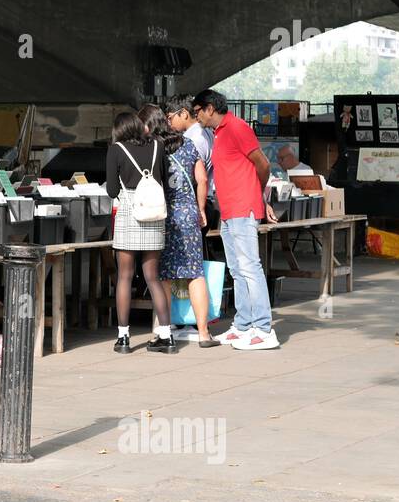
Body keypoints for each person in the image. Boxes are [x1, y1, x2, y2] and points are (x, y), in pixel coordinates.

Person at [191, 88, 280, 350]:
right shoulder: (218, 133)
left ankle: (263, 329)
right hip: (229, 209)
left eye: (198, 112)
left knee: (250, 267)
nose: (197, 118)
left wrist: (259, 195)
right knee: (237, 270)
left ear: (209, 108)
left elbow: (263, 164)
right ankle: (243, 325)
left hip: (243, 207)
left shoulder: (238, 127)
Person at [140, 104, 219, 346]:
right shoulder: (187, 144)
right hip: (188, 214)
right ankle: (204, 333)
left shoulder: (152, 148)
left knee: (163, 274)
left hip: (161, 215)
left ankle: (164, 331)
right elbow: (202, 179)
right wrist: (201, 208)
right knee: (194, 273)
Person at [105, 110, 174, 354]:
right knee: (153, 277)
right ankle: (166, 335)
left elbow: (112, 190)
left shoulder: (116, 150)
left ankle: (123, 337)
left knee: (124, 276)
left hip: (129, 213)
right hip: (154, 213)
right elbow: (164, 181)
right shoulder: (158, 145)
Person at [165, 95, 216, 220]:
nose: (169, 123)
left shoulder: (193, 139)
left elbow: (197, 177)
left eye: (170, 117)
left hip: (196, 203)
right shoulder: (205, 132)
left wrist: (200, 209)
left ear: (183, 113)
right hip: (205, 200)